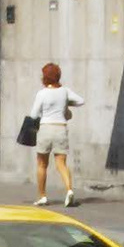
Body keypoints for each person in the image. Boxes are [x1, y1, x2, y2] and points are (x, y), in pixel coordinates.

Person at [28, 62, 85, 207]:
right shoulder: (65, 91)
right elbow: (81, 101)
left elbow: (33, 114)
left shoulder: (42, 93)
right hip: (61, 128)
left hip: (46, 128)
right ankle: (69, 190)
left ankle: (42, 196)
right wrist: (65, 104)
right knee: (61, 164)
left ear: (45, 77)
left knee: (42, 164)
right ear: (58, 76)